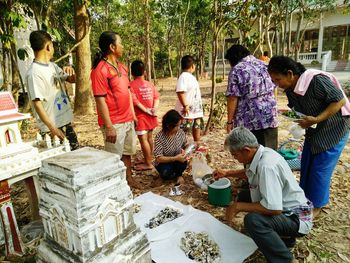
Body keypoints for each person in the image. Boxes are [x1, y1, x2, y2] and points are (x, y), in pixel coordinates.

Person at [214, 127, 313, 263]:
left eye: (235, 155)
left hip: (296, 217)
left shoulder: (267, 166)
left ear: (246, 150)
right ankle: (283, 238)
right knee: (244, 196)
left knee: (253, 220)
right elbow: (250, 173)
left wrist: (238, 207)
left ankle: (284, 259)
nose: (234, 158)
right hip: (286, 208)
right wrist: (227, 173)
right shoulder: (261, 153)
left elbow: (274, 209)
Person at [268, 56, 350, 218]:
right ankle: (304, 199)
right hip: (315, 128)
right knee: (307, 163)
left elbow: (339, 101)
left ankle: (316, 207)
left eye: (278, 79)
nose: (277, 84)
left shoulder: (316, 80)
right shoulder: (291, 89)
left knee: (320, 168)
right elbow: (297, 110)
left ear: (290, 74)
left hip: (335, 127)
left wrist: (317, 119)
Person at [90, 31, 140, 189]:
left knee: (127, 153)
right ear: (112, 47)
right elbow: (100, 100)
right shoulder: (100, 70)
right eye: (121, 43)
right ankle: (115, 187)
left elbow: (128, 93)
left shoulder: (122, 67)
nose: (123, 47)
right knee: (113, 159)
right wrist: (109, 126)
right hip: (114, 123)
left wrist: (133, 115)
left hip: (127, 120)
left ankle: (129, 179)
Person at [26, 30, 79, 150]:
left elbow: (72, 80)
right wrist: (53, 129)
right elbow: (37, 104)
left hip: (65, 123)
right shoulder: (34, 73)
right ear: (48, 47)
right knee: (61, 163)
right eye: (52, 45)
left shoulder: (53, 66)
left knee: (75, 159)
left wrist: (71, 71)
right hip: (52, 129)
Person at [225, 45, 278, 150]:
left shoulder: (237, 70)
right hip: (270, 116)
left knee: (251, 153)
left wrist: (229, 121)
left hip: (250, 119)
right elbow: (274, 85)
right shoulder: (265, 65)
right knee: (270, 152)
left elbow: (233, 98)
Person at [130, 60, 159, 171]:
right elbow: (156, 97)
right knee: (150, 138)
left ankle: (148, 163)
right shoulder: (149, 84)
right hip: (151, 116)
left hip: (141, 117)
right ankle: (149, 158)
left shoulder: (131, 85)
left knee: (143, 141)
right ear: (145, 72)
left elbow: (135, 102)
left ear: (132, 73)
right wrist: (153, 109)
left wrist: (146, 111)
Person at [153, 110, 188, 186]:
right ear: (169, 125)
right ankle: (162, 177)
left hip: (178, 159)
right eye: (177, 126)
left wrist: (188, 150)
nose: (179, 128)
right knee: (165, 171)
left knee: (183, 162)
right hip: (164, 162)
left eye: (180, 125)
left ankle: (179, 175)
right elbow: (158, 158)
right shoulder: (160, 137)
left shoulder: (180, 133)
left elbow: (185, 145)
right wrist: (175, 158)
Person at [175, 55, 204, 144]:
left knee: (197, 127)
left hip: (196, 111)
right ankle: (179, 149)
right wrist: (185, 105)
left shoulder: (192, 77)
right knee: (182, 131)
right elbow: (180, 92)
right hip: (186, 111)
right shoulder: (183, 77)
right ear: (192, 66)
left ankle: (197, 145)